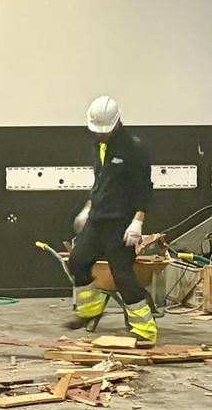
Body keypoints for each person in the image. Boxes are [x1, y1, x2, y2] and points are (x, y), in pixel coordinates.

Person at [67, 95, 157, 344]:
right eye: (98, 132)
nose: (101, 135)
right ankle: (90, 310)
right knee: (77, 260)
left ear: (118, 122)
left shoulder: (134, 148)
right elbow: (101, 182)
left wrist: (138, 221)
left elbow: (144, 189)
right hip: (98, 219)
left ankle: (145, 331)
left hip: (121, 223)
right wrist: (88, 207)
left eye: (105, 131)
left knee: (122, 276)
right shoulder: (98, 145)